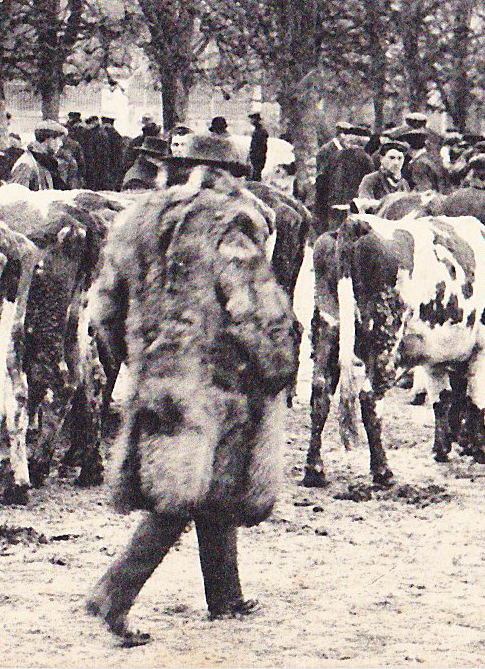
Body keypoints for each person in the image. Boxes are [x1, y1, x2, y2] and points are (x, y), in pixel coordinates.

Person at [83, 132, 298, 647]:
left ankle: (225, 595)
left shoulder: (137, 218)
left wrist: (136, 360)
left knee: (211, 483)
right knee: (178, 496)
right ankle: (113, 595)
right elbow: (253, 303)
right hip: (216, 378)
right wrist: (277, 361)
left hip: (158, 375)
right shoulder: (229, 220)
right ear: (226, 175)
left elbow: (104, 306)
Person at [311, 124, 374, 232]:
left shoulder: (335, 156)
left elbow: (321, 183)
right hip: (357, 207)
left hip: (335, 206)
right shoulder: (366, 160)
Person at [10, 123, 66, 190]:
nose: (61, 144)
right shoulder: (27, 164)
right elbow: (18, 196)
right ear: (48, 139)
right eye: (59, 139)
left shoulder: (46, 162)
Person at [356, 139, 409, 203]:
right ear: (382, 159)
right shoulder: (370, 180)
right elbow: (365, 203)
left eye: (400, 158)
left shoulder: (404, 183)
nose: (396, 163)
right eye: (391, 158)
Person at [247, 112, 269, 182]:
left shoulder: (260, 131)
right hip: (257, 155)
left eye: (252, 119)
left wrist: (254, 155)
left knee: (256, 173)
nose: (251, 121)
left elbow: (259, 146)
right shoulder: (258, 130)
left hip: (258, 156)